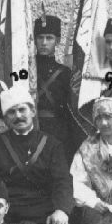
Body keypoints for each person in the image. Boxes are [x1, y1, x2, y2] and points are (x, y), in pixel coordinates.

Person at [0, 84, 73, 224]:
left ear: (33, 111)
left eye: (22, 110)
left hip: (43, 209)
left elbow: (63, 180)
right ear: (6, 119)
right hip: (7, 210)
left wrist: (61, 210)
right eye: (11, 112)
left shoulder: (52, 144)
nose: (18, 116)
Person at [33, 14, 78, 157]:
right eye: (40, 37)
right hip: (30, 128)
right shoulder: (26, 70)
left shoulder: (65, 73)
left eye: (49, 38)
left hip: (57, 132)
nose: (44, 42)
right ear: (34, 39)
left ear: (57, 41)